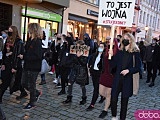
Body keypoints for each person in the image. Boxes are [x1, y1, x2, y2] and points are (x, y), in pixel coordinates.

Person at [109, 33, 141, 120]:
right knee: (113, 99)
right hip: (117, 79)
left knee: (124, 102)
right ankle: (114, 116)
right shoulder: (120, 52)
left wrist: (129, 70)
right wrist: (111, 56)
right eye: (124, 38)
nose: (125, 40)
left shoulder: (135, 53)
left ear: (131, 40)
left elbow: (138, 67)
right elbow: (112, 65)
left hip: (127, 80)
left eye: (127, 38)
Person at [20, 23, 42, 110]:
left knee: (32, 84)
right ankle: (36, 93)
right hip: (27, 65)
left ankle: (32, 102)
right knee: (23, 83)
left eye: (29, 28)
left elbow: (38, 56)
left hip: (34, 67)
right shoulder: (30, 39)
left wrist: (25, 57)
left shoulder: (37, 42)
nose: (28, 30)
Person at [63, 40, 89, 105]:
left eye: (78, 46)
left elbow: (84, 63)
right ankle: (69, 97)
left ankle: (84, 98)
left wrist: (79, 56)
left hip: (81, 70)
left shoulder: (85, 52)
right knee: (70, 83)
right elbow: (72, 60)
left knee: (82, 85)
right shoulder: (75, 51)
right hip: (74, 69)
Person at [98, 38, 119, 118]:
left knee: (108, 94)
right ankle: (108, 102)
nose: (109, 42)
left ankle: (105, 110)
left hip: (111, 75)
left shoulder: (117, 52)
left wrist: (113, 56)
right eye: (108, 41)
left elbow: (116, 65)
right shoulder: (106, 50)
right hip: (104, 74)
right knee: (101, 92)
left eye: (111, 41)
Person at [8, 26, 28, 100]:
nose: (9, 32)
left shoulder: (19, 42)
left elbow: (18, 55)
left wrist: (15, 67)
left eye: (10, 30)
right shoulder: (10, 40)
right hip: (10, 62)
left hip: (17, 64)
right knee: (17, 80)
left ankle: (27, 92)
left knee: (17, 80)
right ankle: (22, 92)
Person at [86, 43, 107, 111]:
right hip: (94, 73)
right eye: (99, 46)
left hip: (100, 74)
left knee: (96, 89)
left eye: (102, 47)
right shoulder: (94, 55)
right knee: (96, 87)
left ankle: (92, 104)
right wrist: (89, 70)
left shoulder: (105, 56)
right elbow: (90, 62)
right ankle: (102, 96)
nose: (100, 48)